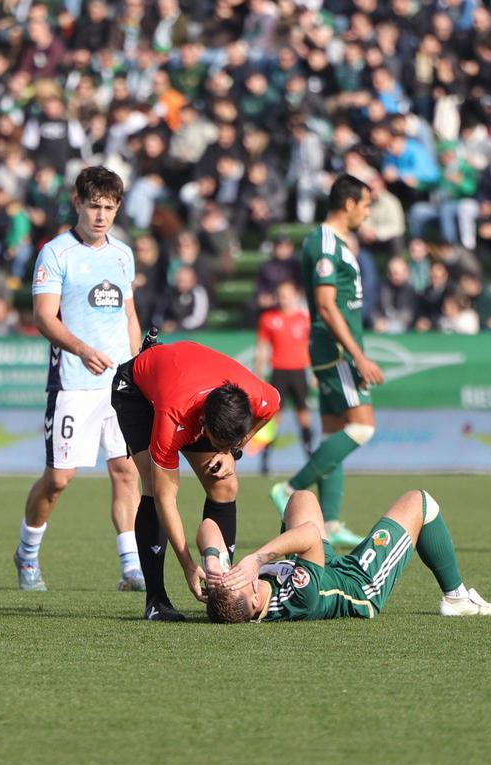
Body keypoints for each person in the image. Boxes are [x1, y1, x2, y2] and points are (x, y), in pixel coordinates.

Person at [13, 166, 144, 593]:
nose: (101, 215)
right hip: (73, 383)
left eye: (109, 207)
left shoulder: (123, 255)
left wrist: (137, 365)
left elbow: (128, 313)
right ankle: (27, 552)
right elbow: (43, 317)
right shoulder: (56, 253)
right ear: (78, 204)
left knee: (126, 471)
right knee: (58, 480)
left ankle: (131, 567)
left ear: (118, 208)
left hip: (118, 388)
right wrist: (83, 350)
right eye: (94, 206)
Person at [111, 339, 280, 621]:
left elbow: (274, 404)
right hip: (137, 391)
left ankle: (222, 586)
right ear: (203, 426)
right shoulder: (172, 418)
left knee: (225, 484)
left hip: (181, 383)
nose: (222, 447)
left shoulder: (253, 392)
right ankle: (156, 600)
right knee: (154, 489)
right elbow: (168, 499)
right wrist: (188, 564)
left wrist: (231, 451)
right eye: (219, 442)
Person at [270, 175, 384, 547]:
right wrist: (359, 356)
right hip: (335, 350)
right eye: (366, 205)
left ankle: (330, 522)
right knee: (362, 428)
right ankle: (291, 488)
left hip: (333, 347)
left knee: (334, 434)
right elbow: (324, 305)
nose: (367, 212)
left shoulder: (335, 243)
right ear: (349, 204)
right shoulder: (324, 244)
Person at [200, 487, 491, 623]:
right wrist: (257, 558)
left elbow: (208, 525)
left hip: (322, 565)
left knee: (302, 497)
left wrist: (212, 559)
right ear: (255, 602)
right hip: (358, 583)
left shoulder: (234, 594)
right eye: (239, 579)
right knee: (420, 501)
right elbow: (308, 535)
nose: (237, 573)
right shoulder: (298, 597)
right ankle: (457, 599)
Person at [254, 280, 314, 476]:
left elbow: (310, 348)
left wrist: (314, 373)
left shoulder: (304, 319)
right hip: (279, 371)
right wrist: (259, 372)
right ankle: (265, 459)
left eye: (287, 294)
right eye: (281, 294)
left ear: (296, 295)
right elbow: (262, 347)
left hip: (298, 372)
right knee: (272, 418)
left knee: (303, 414)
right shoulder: (268, 319)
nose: (284, 298)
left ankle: (310, 455)